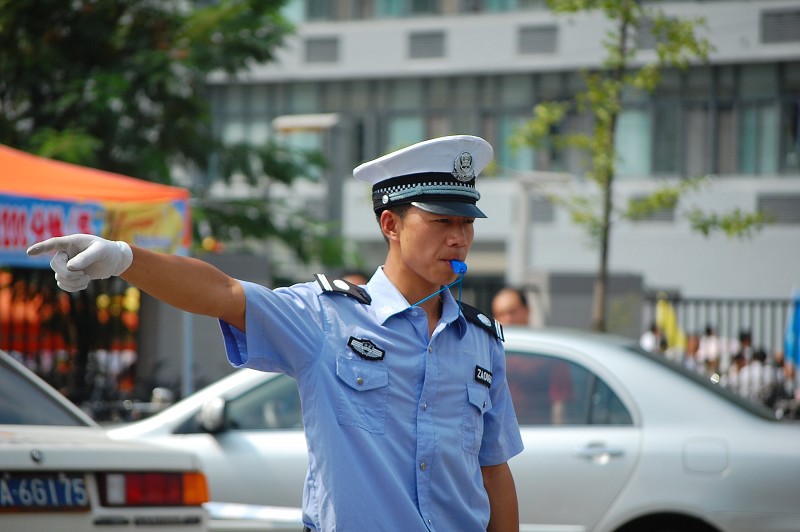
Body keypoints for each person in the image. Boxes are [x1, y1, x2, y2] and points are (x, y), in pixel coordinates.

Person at [27, 135, 523, 532]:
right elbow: (221, 292)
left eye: (466, 223)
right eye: (441, 222)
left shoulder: (480, 341)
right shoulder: (325, 319)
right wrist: (124, 259)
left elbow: (493, 471)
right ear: (390, 224)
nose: (459, 238)